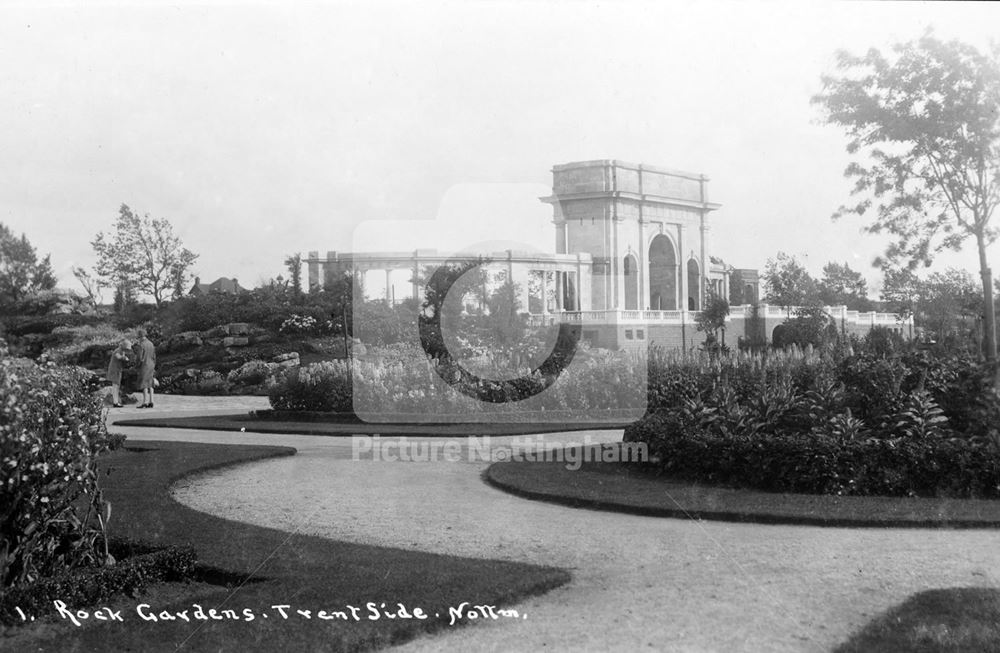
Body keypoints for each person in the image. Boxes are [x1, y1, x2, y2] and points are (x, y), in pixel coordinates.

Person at [135, 328, 157, 408]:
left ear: (140, 337)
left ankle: (145, 402)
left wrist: (136, 365)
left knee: (144, 383)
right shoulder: (151, 344)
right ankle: (151, 401)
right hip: (151, 365)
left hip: (144, 365)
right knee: (150, 383)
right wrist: (154, 364)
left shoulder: (141, 345)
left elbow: (139, 358)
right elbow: (154, 356)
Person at [107, 338, 131, 408]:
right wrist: (125, 358)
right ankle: (115, 402)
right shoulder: (118, 351)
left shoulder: (121, 351)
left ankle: (116, 401)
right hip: (115, 370)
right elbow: (118, 357)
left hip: (118, 370)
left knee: (117, 386)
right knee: (115, 386)